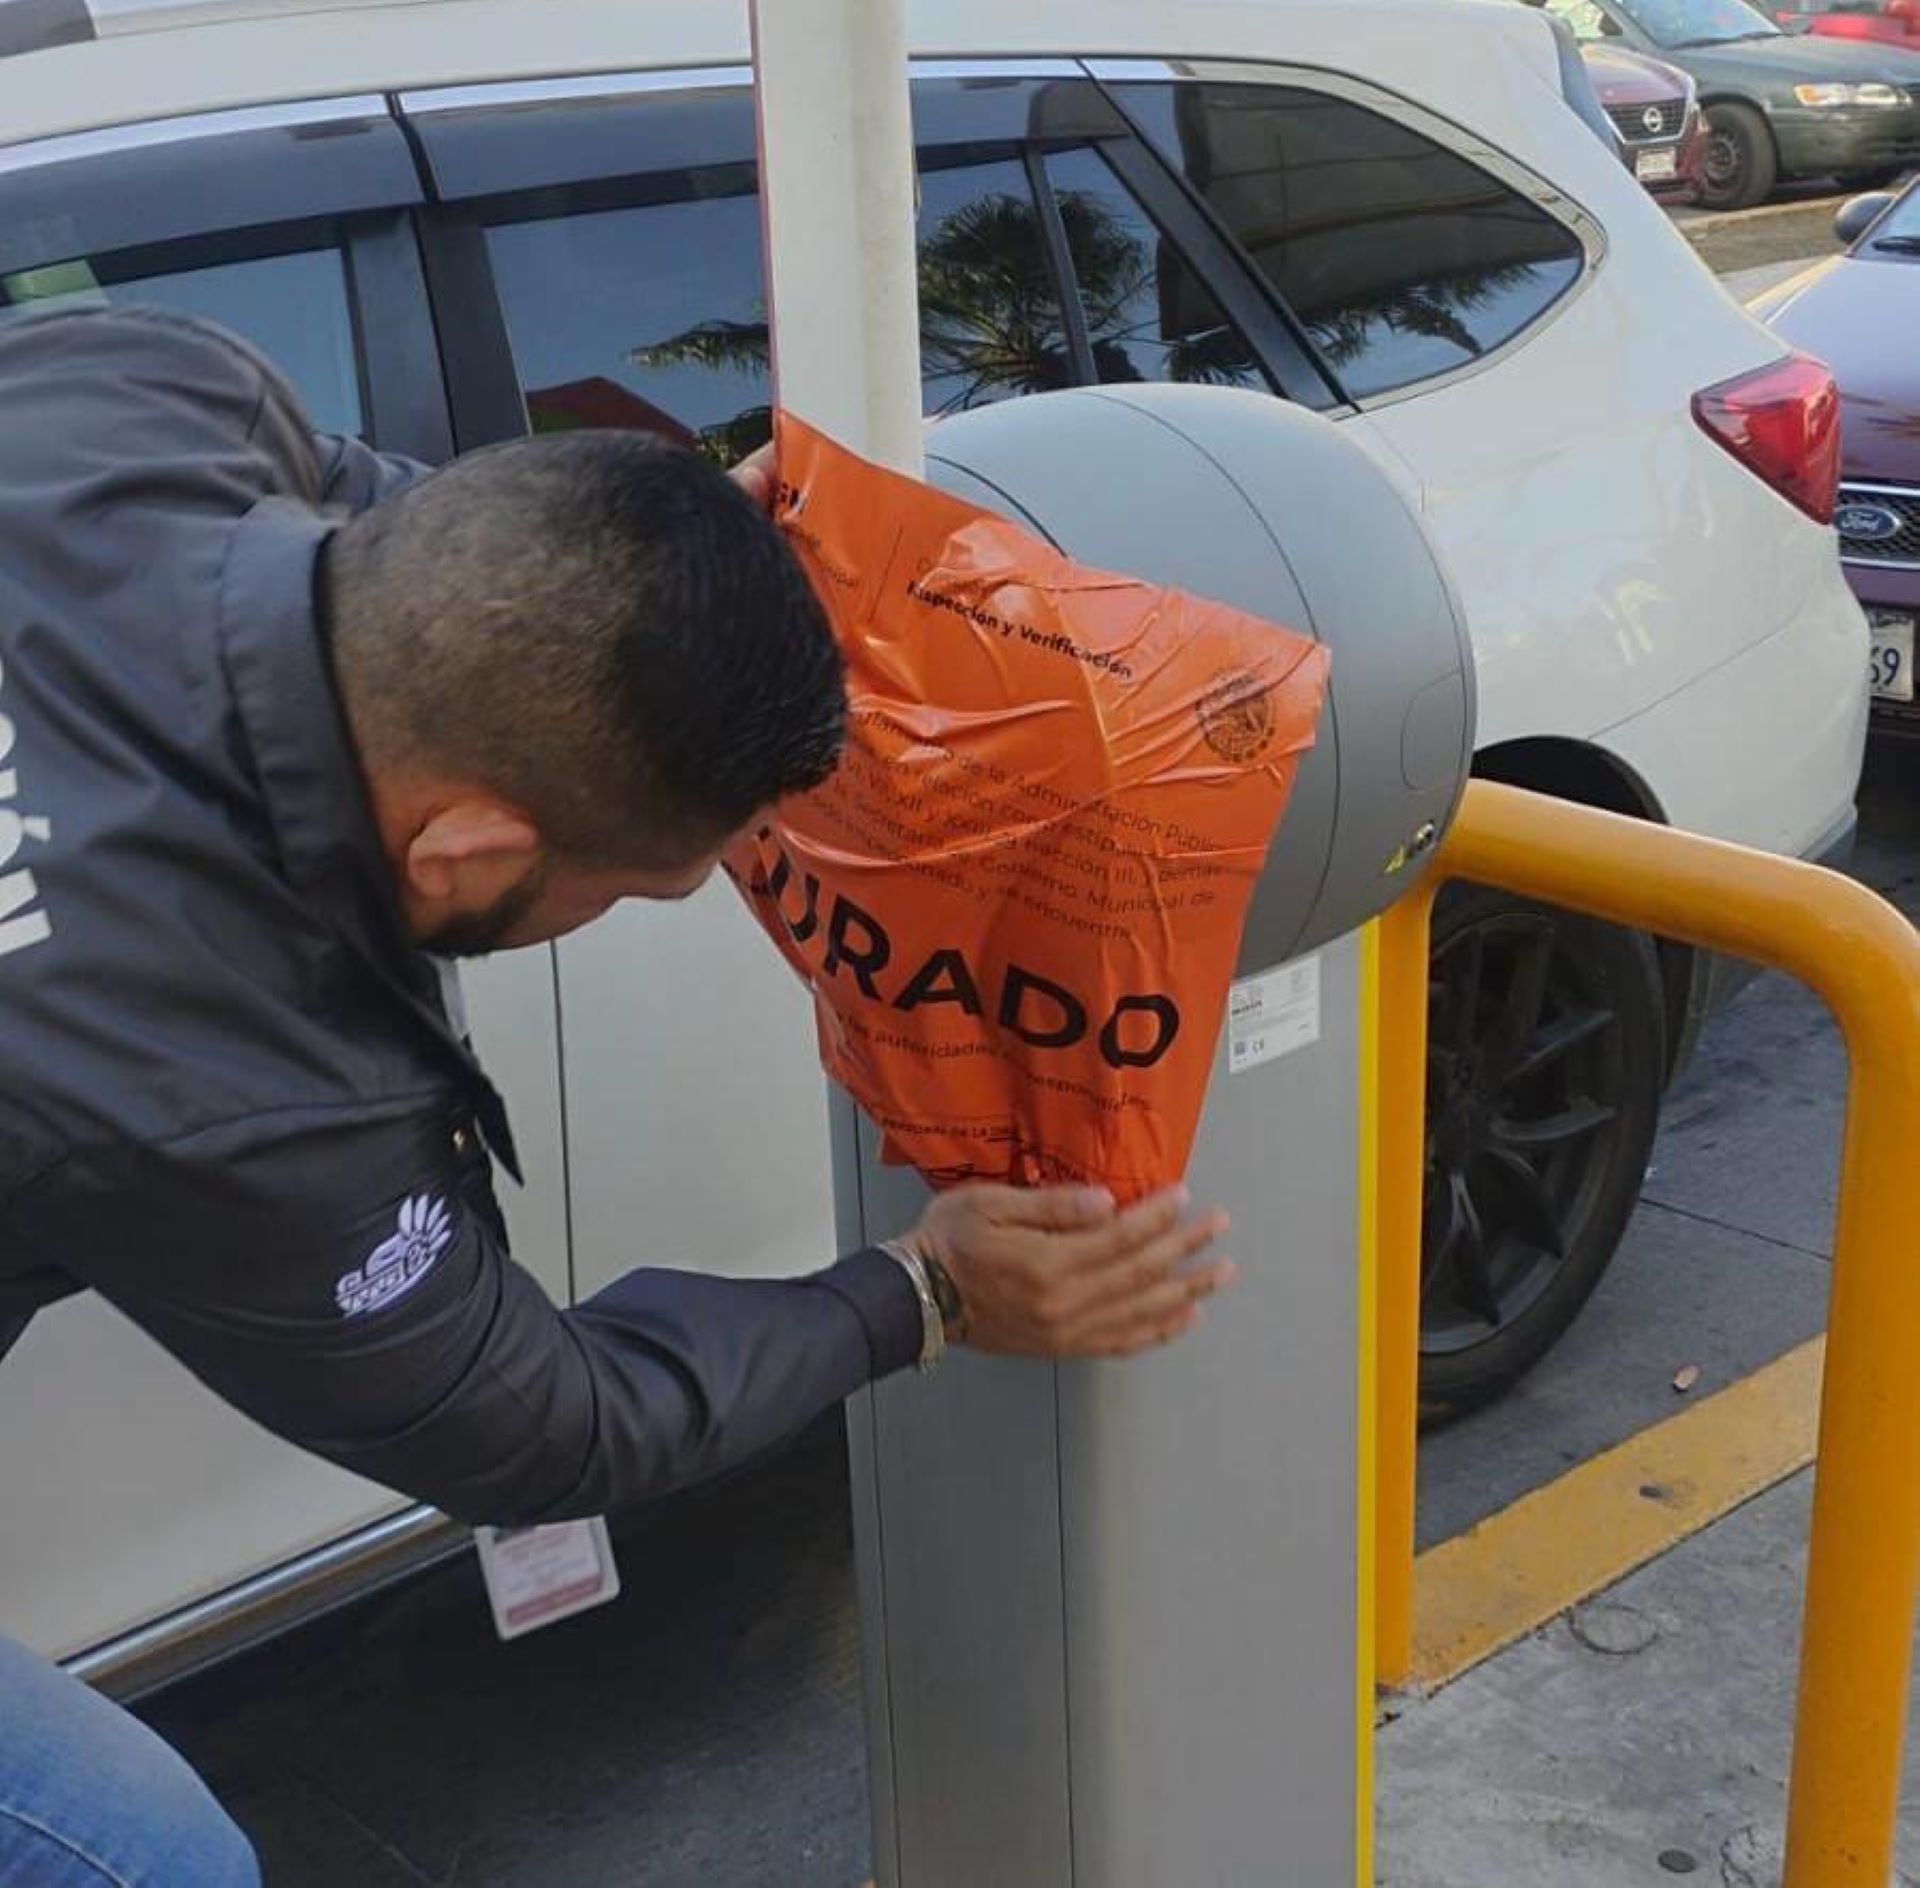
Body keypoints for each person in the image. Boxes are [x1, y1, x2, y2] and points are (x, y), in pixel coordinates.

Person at [0, 307, 1234, 1883]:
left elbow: (440, 543)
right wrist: (922, 1293)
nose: (685, 895)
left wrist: (684, 559)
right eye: (649, 885)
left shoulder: (137, 401)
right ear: (465, 852)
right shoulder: (236, 1086)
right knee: (151, 1864)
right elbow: (537, 1420)